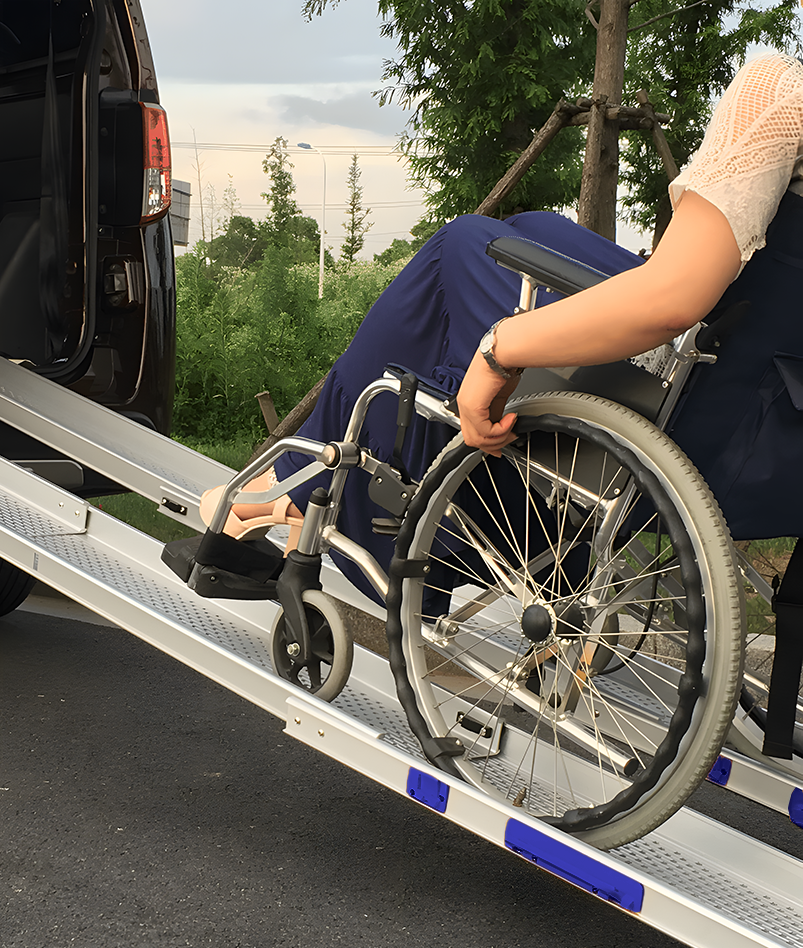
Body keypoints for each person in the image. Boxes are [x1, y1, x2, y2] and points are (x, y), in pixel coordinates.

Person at [201, 52, 803, 602]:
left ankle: (301, 489)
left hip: (696, 404)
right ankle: (333, 486)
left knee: (461, 247)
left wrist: (499, 352)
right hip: (776, 455)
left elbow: (672, 299)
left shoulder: (782, 93)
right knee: (533, 230)